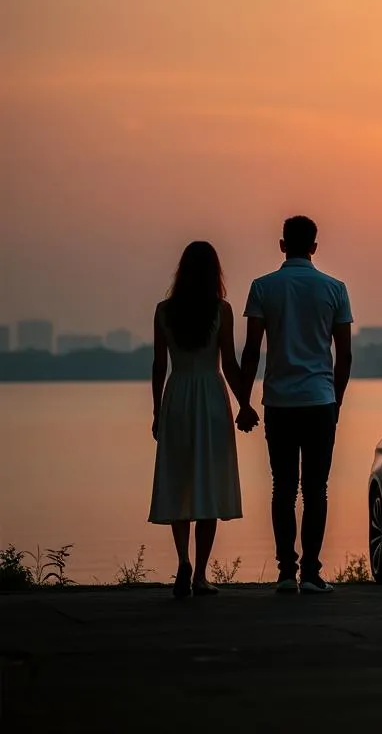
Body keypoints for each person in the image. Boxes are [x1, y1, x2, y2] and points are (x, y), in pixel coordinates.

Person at [238, 216, 353, 594]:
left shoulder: (263, 288)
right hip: (320, 400)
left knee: (283, 487)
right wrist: (336, 400)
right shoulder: (335, 289)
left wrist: (243, 400)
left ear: (282, 244)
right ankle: (312, 573)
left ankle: (286, 572)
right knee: (316, 489)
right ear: (315, 247)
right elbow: (345, 354)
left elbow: (252, 350)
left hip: (280, 403)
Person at [149, 241, 258, 599]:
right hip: (211, 397)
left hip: (177, 397)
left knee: (180, 480)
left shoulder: (164, 311)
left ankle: (182, 561)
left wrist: (155, 411)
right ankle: (199, 575)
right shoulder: (221, 310)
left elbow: (159, 365)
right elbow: (228, 363)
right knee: (209, 483)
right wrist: (244, 403)